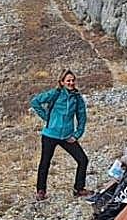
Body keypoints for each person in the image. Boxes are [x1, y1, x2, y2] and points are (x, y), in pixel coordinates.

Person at [30, 70, 89, 201]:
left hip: (67, 136)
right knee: (45, 162)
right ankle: (41, 190)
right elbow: (35, 102)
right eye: (68, 80)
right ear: (62, 82)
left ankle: (79, 189)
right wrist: (48, 118)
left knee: (83, 160)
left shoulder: (77, 97)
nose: (71, 83)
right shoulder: (55, 94)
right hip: (50, 135)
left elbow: (82, 117)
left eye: (73, 80)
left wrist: (77, 134)